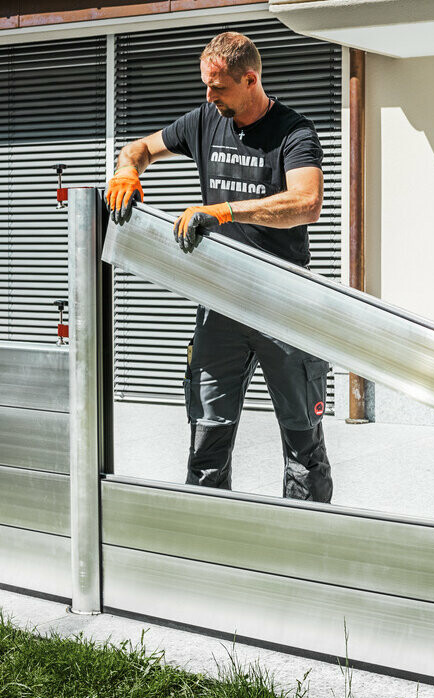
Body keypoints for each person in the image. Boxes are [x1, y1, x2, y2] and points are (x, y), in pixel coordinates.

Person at [104, 31, 332, 502]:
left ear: (250, 79)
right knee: (207, 436)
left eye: (219, 87)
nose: (209, 97)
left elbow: (307, 203)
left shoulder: (294, 132)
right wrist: (127, 169)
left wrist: (226, 211)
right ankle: (207, 544)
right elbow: (139, 149)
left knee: (302, 443)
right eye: (206, 86)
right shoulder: (205, 119)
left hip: (283, 305)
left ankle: (306, 549)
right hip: (220, 304)